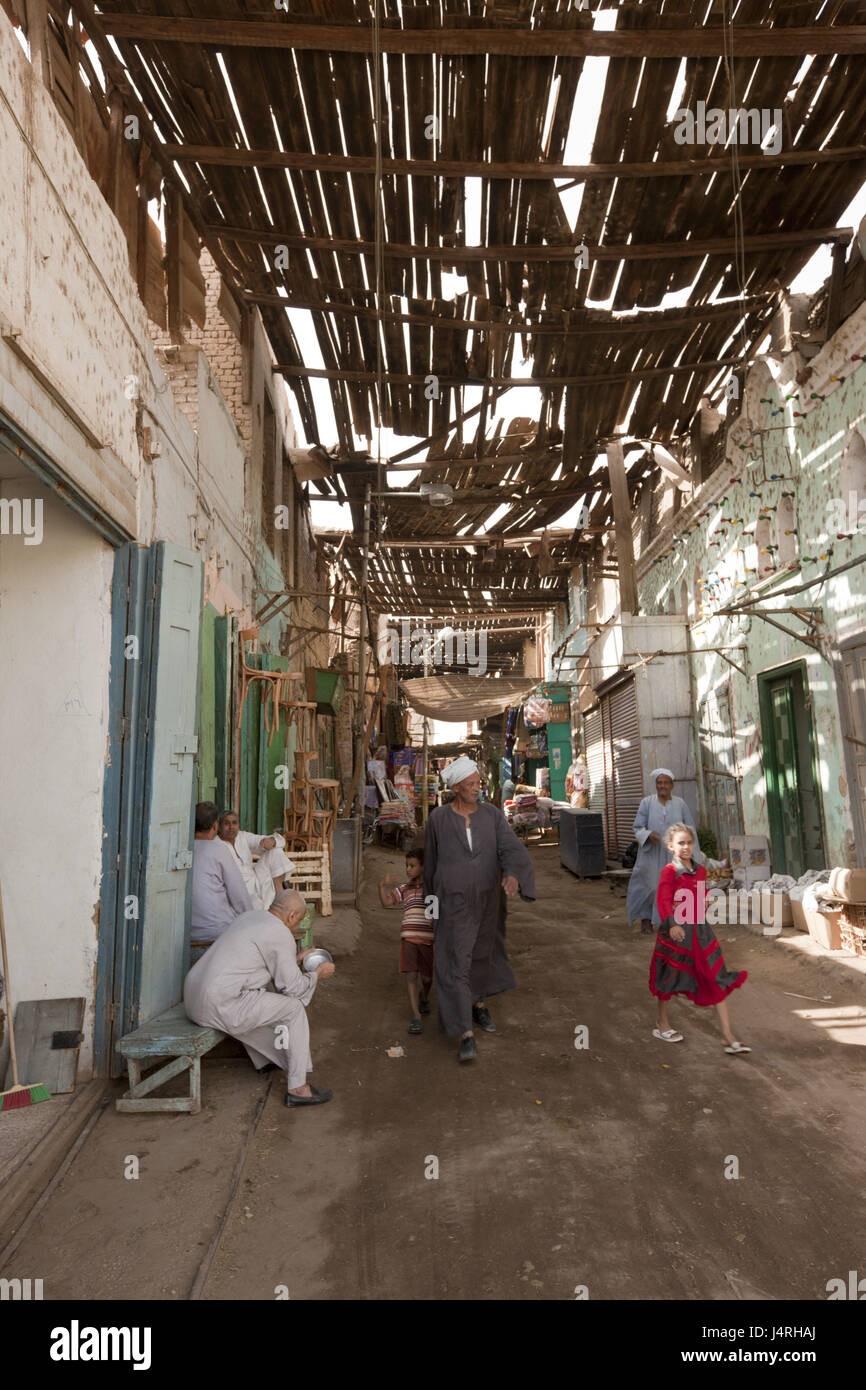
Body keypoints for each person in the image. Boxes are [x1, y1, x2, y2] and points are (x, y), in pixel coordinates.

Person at [423, 755, 535, 1064]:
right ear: (457, 788)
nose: (477, 789)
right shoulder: (439, 819)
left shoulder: (492, 816)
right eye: (471, 785)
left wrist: (512, 874)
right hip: (452, 903)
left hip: (488, 902)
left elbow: (510, 848)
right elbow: (430, 866)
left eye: (478, 783)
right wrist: (429, 910)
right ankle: (465, 1034)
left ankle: (479, 1004)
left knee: (482, 955)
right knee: (456, 961)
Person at [184, 888, 337, 1107]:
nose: (296, 927)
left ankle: (264, 1061)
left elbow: (260, 965)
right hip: (217, 1004)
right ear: (292, 915)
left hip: (193, 998)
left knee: (259, 1000)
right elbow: (294, 989)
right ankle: (299, 1089)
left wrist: (295, 959)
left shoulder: (251, 916)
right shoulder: (281, 933)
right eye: (299, 921)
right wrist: (317, 974)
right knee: (293, 1009)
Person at [649, 824, 750, 1053]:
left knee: (715, 976)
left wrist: (705, 902)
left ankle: (726, 1035)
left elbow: (701, 898)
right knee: (669, 977)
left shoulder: (701, 871)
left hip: (700, 933)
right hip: (676, 933)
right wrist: (672, 924)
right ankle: (661, 1022)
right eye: (681, 843)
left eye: (689, 843)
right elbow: (663, 901)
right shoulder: (669, 871)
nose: (686, 847)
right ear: (671, 847)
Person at [626, 768, 707, 934]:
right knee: (649, 886)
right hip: (652, 854)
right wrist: (648, 835)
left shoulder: (680, 804)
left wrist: (691, 851)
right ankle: (646, 919)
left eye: (665, 783)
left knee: (674, 888)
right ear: (656, 785)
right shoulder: (646, 803)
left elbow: (690, 827)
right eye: (659, 783)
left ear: (672, 785)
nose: (662, 786)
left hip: (674, 855)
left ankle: (671, 922)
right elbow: (638, 826)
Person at [379, 848, 433, 1036]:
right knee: (411, 976)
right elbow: (386, 902)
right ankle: (416, 1016)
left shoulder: (433, 888)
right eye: (407, 866)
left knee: (427, 978)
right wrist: (382, 886)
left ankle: (424, 997)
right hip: (408, 938)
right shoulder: (405, 888)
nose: (408, 869)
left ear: (423, 867)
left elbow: (435, 916)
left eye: (412, 866)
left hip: (428, 941)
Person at [191, 801, 253, 943]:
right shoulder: (218, 849)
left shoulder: (182, 849)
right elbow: (239, 896)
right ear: (215, 826)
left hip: (186, 932)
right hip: (218, 932)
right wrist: (250, 923)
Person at [218, 810, 295, 911]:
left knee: (275, 852)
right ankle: (274, 909)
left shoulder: (242, 836)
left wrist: (272, 841)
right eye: (226, 823)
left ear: (238, 825)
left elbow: (279, 840)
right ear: (219, 826)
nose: (231, 827)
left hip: (255, 879)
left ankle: (280, 898)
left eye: (234, 823)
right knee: (257, 913)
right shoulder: (216, 844)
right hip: (237, 889)